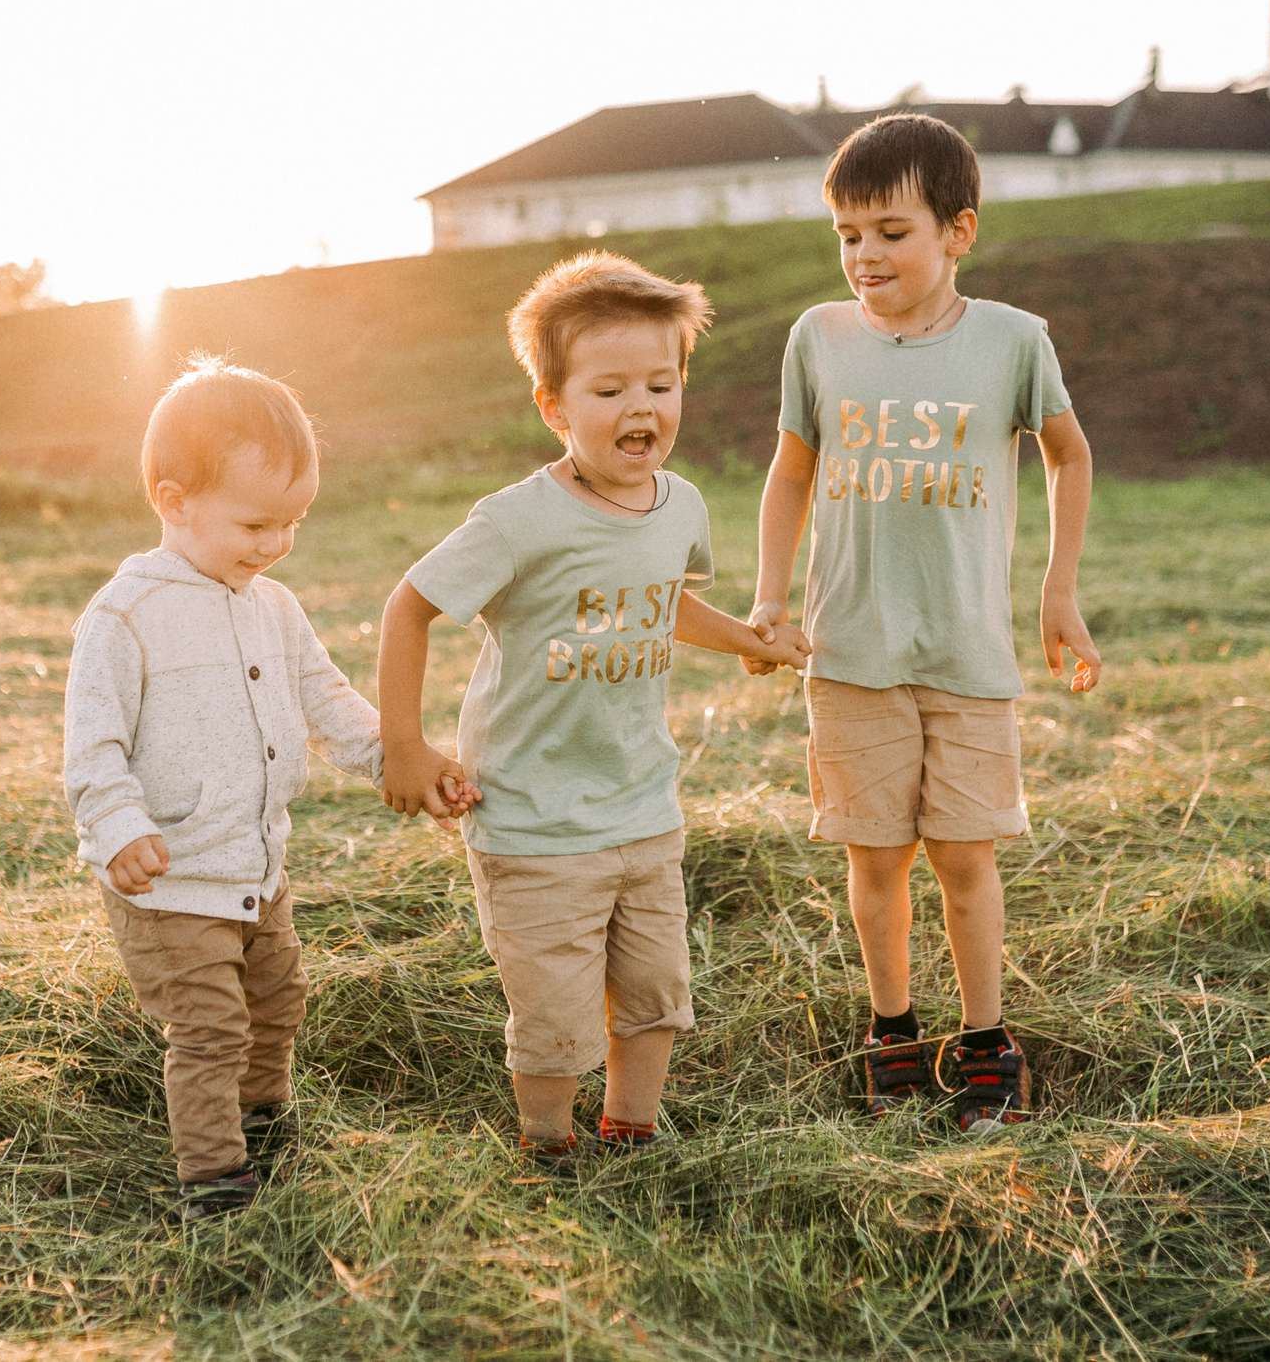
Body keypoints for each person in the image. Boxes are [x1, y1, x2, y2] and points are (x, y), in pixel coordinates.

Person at [376, 252, 808, 1164]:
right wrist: (405, 746)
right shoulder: (516, 519)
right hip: (532, 819)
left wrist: (749, 639)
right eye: (609, 389)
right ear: (555, 406)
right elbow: (409, 606)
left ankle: (632, 1133)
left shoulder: (680, 506)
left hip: (642, 804)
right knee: (557, 1011)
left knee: (654, 993)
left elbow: (658, 599)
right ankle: (550, 1148)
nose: (641, 408)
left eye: (660, 383)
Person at [746, 113, 1102, 1134]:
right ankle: (893, 1030)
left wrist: (1056, 589)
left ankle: (984, 1041)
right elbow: (790, 471)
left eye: (890, 231)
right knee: (872, 859)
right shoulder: (817, 339)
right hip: (849, 651)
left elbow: (1067, 454)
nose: (865, 254)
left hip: (965, 652)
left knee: (963, 857)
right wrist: (771, 596)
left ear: (958, 231)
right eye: (847, 233)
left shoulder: (1011, 341)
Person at [62, 355, 471, 1221]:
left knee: (279, 998)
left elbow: (325, 700)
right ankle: (212, 1174)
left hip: (258, 871)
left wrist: (398, 755)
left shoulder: (274, 606)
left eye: (294, 521)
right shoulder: (125, 615)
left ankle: (260, 1114)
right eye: (256, 522)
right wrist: (116, 825)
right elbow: (91, 743)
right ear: (175, 502)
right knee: (209, 1026)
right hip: (170, 876)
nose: (277, 543)